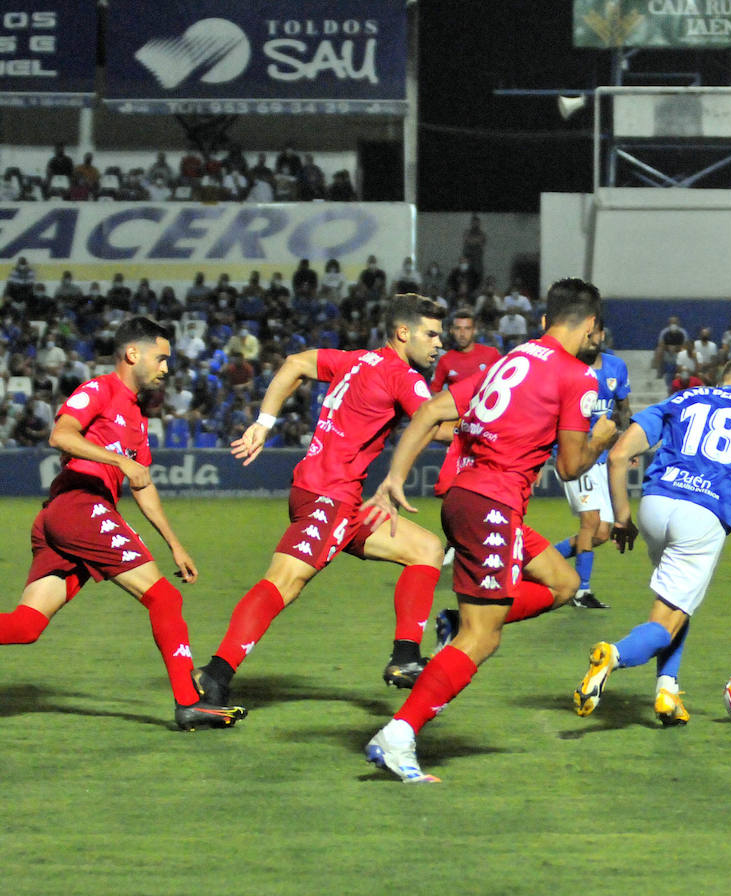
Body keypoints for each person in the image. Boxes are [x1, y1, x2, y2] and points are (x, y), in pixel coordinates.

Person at [361, 278, 616, 783]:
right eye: (598, 329)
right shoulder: (578, 376)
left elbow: (432, 411)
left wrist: (394, 477)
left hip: (470, 498)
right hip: (491, 506)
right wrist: (600, 440)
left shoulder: (511, 358)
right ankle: (398, 734)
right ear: (589, 324)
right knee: (483, 638)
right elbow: (570, 467)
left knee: (563, 582)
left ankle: (457, 623)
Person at [191, 295, 447, 711]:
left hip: (332, 495)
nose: (439, 343)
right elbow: (435, 425)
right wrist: (492, 423)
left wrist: (264, 423)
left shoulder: (354, 360)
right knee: (284, 582)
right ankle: (215, 675)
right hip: (330, 497)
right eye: (432, 334)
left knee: (426, 549)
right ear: (404, 333)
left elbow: (295, 363)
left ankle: (405, 658)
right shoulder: (403, 376)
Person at [0, 317, 246, 730]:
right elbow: (61, 436)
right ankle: (190, 703)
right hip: (79, 505)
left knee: (26, 626)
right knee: (165, 599)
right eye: (161, 358)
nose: (165, 368)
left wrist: (175, 545)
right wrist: (118, 460)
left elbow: (142, 483)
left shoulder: (136, 416)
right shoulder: (99, 389)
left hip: (68, 517)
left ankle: (191, 704)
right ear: (133, 353)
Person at [573, 356, 731, 726]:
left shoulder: (683, 398)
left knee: (676, 604)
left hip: (655, 505)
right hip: (703, 513)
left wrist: (622, 518)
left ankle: (667, 691)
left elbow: (619, 455)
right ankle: (614, 655)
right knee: (668, 616)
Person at [545, 324, 631, 610]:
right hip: (575, 455)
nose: (590, 338)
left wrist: (627, 443)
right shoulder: (567, 370)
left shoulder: (616, 367)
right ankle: (581, 591)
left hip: (603, 456)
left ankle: (535, 561)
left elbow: (624, 408)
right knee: (590, 523)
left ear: (602, 335)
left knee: (602, 534)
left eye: (594, 333)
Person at [429, 306, 502, 393]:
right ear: (451, 330)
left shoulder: (491, 354)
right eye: (458, 328)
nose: (462, 334)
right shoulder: (445, 360)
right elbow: (434, 392)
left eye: (467, 328)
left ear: (474, 330)